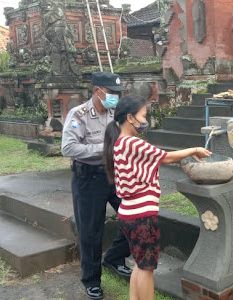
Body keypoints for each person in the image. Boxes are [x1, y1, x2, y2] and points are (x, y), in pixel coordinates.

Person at [102, 94, 211, 300]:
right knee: (146, 268)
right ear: (130, 118)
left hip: (129, 213)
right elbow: (166, 157)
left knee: (139, 264)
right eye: (143, 115)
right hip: (141, 216)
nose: (145, 120)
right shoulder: (131, 143)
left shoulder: (119, 142)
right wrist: (195, 149)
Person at [61, 72, 132, 300]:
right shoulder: (78, 115)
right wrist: (103, 151)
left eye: (117, 94)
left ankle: (114, 258)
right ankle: (91, 280)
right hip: (88, 178)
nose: (114, 98)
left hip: (115, 175)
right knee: (91, 232)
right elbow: (68, 148)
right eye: (111, 93)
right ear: (97, 91)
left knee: (133, 216)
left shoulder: (115, 113)